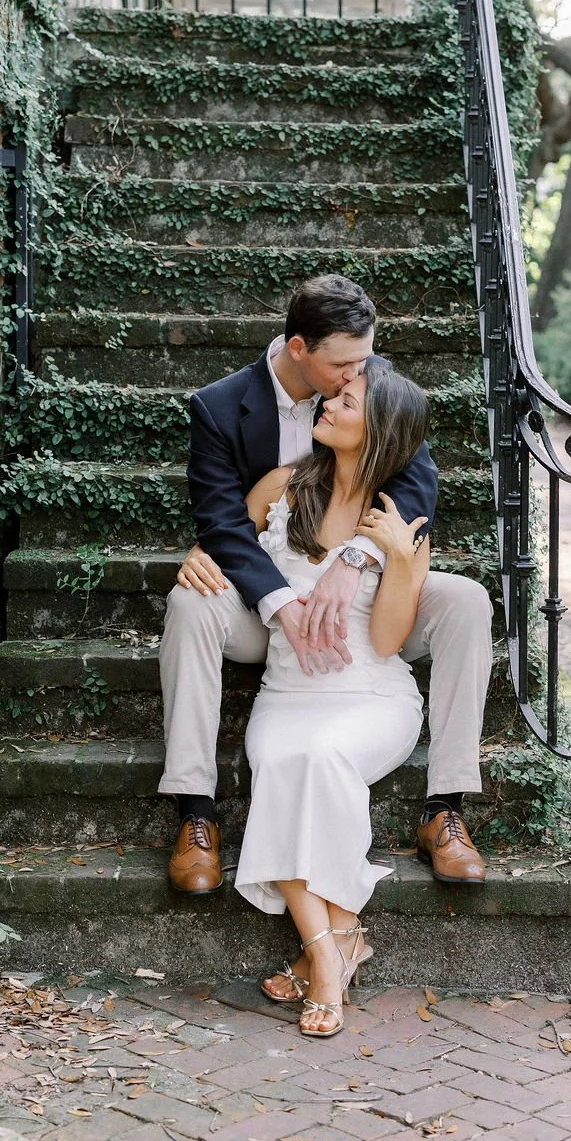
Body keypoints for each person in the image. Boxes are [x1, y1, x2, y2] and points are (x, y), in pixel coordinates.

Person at [158, 273, 494, 909]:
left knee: (467, 600)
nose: (353, 379)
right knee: (189, 601)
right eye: (342, 366)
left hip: (371, 593)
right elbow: (226, 524)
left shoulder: (366, 379)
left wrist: (357, 556)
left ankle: (445, 806)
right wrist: (281, 602)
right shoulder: (221, 408)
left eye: (361, 364)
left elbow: (417, 481)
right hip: (270, 602)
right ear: (297, 350)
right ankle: (194, 812)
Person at [235, 367, 428, 1037]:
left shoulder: (399, 519)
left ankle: (320, 966)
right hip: (287, 692)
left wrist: (398, 560)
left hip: (370, 695)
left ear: (378, 432)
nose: (329, 403)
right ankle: (339, 941)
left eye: (347, 402)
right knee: (280, 758)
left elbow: (387, 637)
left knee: (318, 756)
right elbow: (227, 546)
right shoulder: (282, 488)